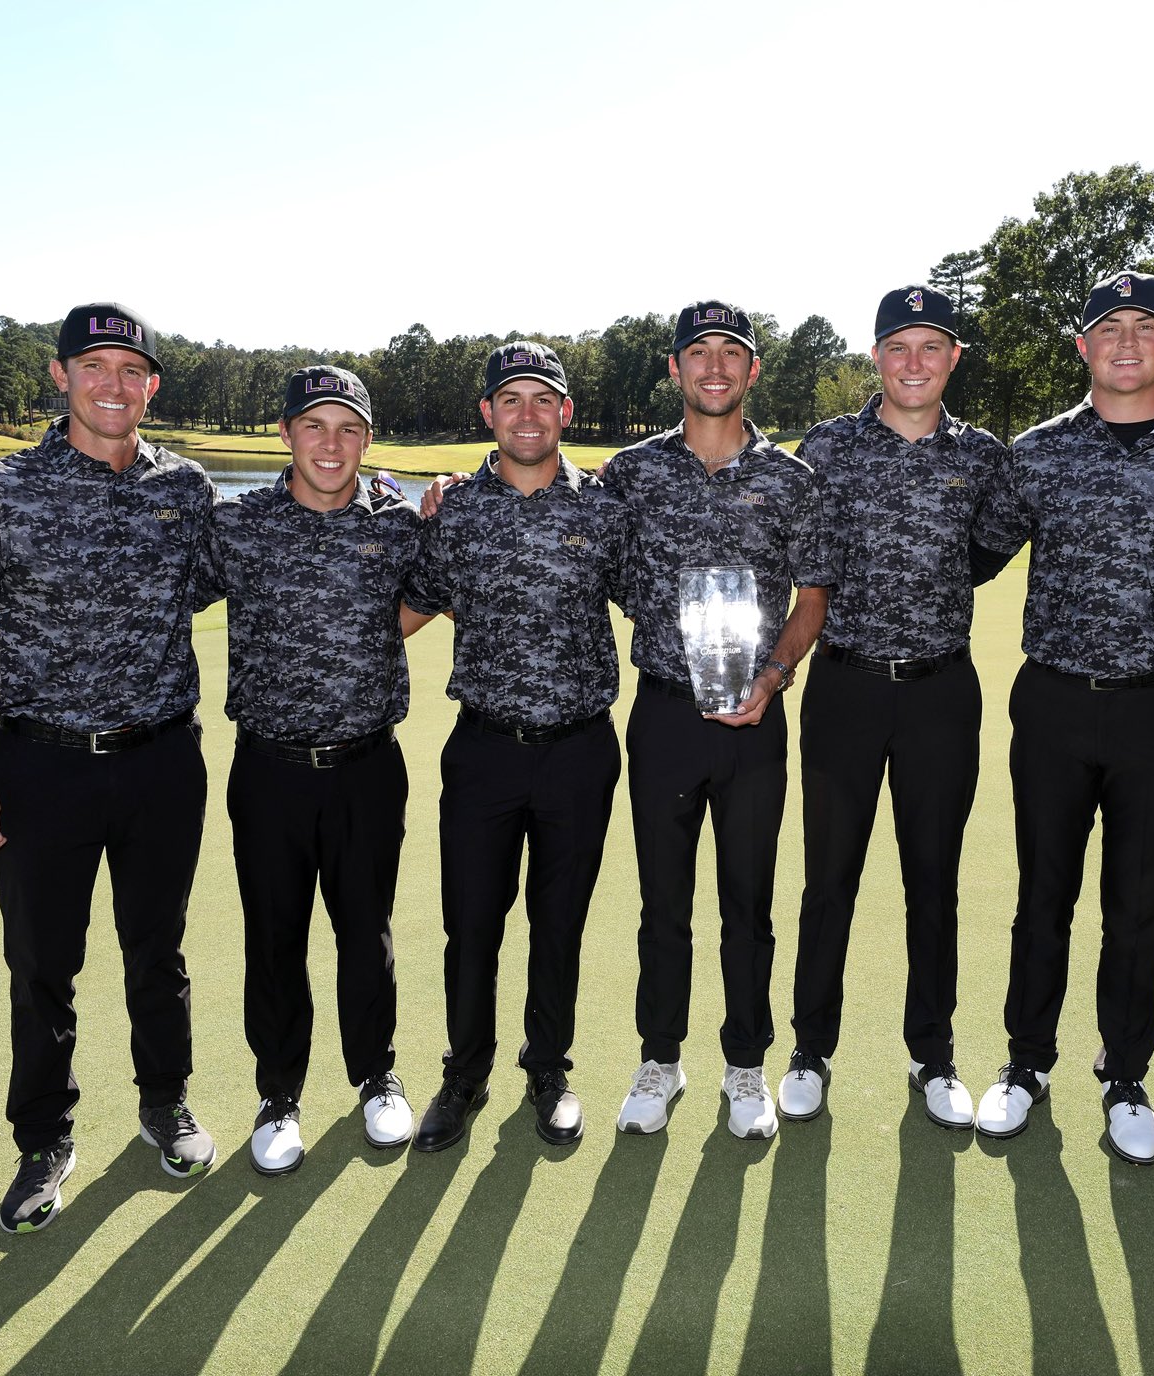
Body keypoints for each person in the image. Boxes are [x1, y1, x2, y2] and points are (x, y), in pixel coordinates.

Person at [0, 302, 217, 1234]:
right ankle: (43, 1139)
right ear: (60, 377)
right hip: (41, 764)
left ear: (152, 386)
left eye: (131, 370)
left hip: (164, 759)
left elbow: (274, 545)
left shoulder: (189, 488)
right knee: (43, 963)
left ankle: (163, 1102)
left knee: (157, 950)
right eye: (94, 366)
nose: (113, 384)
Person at [970, 272, 1154, 1160]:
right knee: (1041, 895)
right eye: (1108, 328)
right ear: (1082, 347)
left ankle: (1126, 1075)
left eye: (1146, 326)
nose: (1126, 342)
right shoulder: (1038, 452)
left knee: (1138, 905)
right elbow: (968, 558)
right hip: (1052, 700)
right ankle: (1025, 1062)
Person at [777, 284, 1007, 1131]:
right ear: (875, 358)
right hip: (845, 686)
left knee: (932, 880)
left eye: (932, 347)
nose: (915, 363)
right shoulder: (827, 448)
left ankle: (934, 1053)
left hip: (942, 691)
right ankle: (810, 1049)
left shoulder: (984, 456)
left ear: (952, 360)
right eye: (898, 347)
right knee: (829, 876)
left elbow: (983, 554)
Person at [601, 301, 832, 1141]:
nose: (713, 365)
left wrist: (775, 674)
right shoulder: (628, 474)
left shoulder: (791, 479)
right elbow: (563, 523)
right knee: (664, 903)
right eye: (697, 351)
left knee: (748, 904)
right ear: (674, 368)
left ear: (752, 371)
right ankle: (660, 1059)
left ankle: (745, 1066)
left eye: (730, 352)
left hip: (755, 722)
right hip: (663, 715)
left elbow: (813, 597)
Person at [401, 341, 628, 1152]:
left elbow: (658, 602)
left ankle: (548, 1068)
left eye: (543, 400)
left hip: (578, 749)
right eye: (511, 400)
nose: (526, 414)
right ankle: (464, 1071)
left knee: (558, 920)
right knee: (472, 923)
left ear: (565, 413)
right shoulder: (455, 510)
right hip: (484, 750)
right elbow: (409, 606)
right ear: (488, 414)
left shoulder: (605, 508)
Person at [200, 365, 423, 1175]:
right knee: (275, 936)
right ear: (287, 434)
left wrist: (368, 640)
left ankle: (376, 1078)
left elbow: (426, 592)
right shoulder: (238, 525)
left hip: (367, 766)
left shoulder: (398, 523)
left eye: (349, 428)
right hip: (269, 770)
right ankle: (278, 1094)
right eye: (315, 426)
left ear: (367, 439)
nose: (332, 444)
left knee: (366, 932)